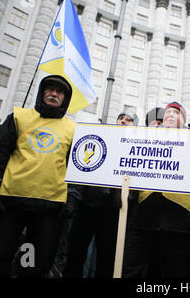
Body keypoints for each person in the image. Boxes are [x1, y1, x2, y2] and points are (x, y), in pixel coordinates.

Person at [0, 75, 76, 277]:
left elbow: (76, 168)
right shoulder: (19, 117)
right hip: (10, 203)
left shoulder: (73, 129)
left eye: (60, 91)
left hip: (49, 208)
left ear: (65, 98)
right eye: (50, 89)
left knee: (32, 266)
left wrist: (72, 199)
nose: (54, 94)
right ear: (42, 92)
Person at [123, 101, 190, 278]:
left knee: (175, 272)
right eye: (167, 112)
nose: (170, 115)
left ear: (184, 120)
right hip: (143, 220)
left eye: (176, 113)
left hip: (179, 223)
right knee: (132, 269)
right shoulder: (145, 142)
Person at [63, 110, 138, 278]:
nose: (123, 121)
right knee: (75, 253)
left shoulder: (136, 148)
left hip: (113, 211)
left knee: (106, 258)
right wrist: (74, 200)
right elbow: (82, 167)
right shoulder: (100, 138)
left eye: (128, 120)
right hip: (87, 206)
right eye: (121, 118)